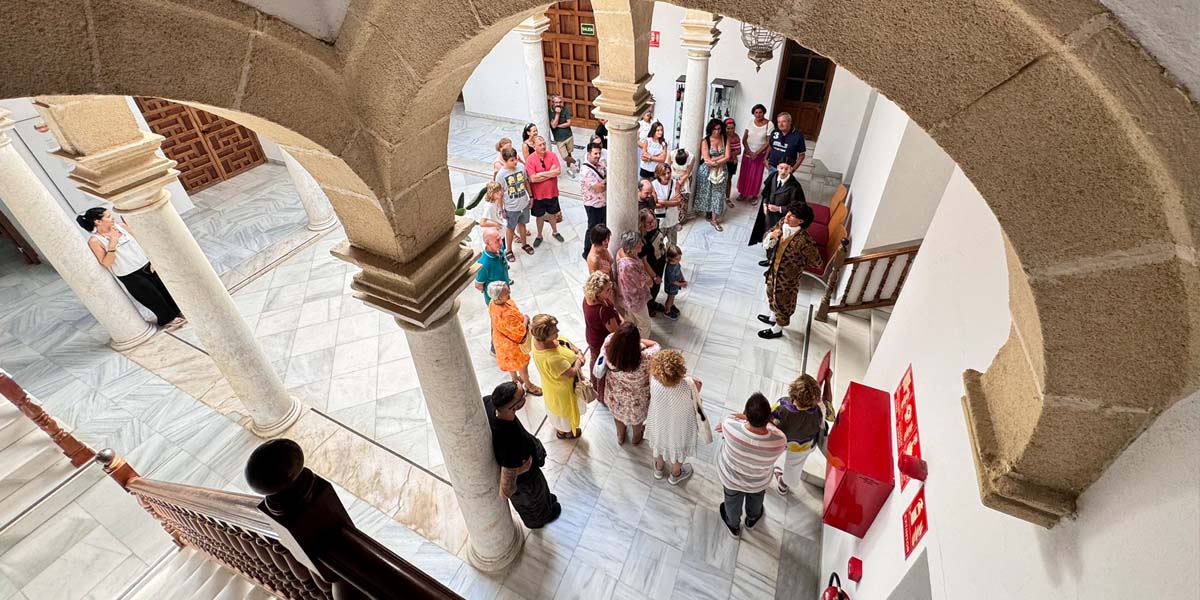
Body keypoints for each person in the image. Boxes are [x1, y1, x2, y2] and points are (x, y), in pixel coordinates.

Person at [76, 207, 185, 330]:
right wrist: (112, 245)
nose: (112, 218)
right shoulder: (95, 241)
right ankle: (168, 318)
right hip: (129, 274)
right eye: (108, 217)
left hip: (147, 265)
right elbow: (106, 263)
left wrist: (153, 259)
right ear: (98, 222)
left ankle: (177, 311)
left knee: (163, 289)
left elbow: (142, 242)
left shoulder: (122, 227)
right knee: (150, 296)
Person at [490, 382, 562, 529]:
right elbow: (506, 490)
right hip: (526, 482)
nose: (525, 395)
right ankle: (542, 518)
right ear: (513, 407)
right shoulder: (508, 443)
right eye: (522, 395)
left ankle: (546, 504)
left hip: (531, 470)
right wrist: (519, 470)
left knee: (541, 493)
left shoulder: (489, 404)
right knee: (533, 505)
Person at [715, 393, 787, 538]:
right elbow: (775, 431)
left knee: (731, 500)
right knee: (756, 499)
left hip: (731, 478)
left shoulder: (729, 426)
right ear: (769, 418)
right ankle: (752, 518)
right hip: (758, 481)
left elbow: (731, 418)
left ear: (746, 414)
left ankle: (733, 525)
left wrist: (743, 417)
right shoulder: (779, 440)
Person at [758, 203, 822, 339]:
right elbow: (768, 235)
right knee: (770, 292)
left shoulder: (804, 241)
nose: (787, 216)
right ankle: (773, 317)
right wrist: (772, 236)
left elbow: (817, 262)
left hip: (787, 279)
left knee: (783, 303)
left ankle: (777, 329)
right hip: (773, 270)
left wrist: (798, 265)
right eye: (788, 212)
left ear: (800, 221)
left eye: (792, 215)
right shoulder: (782, 222)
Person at [645, 349, 702, 485]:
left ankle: (659, 469)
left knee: (659, 444)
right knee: (679, 447)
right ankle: (675, 474)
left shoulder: (653, 380)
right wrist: (685, 377)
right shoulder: (689, 384)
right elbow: (699, 384)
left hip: (659, 420)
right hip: (680, 424)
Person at [601, 322, 659, 445]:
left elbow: (612, 338)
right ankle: (636, 437)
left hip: (615, 393)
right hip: (638, 397)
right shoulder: (647, 357)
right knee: (637, 420)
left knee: (618, 416)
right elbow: (656, 345)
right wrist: (637, 341)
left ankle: (620, 435)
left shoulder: (608, 346)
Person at [530, 314, 586, 439]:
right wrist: (579, 360)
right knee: (565, 413)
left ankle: (561, 430)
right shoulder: (552, 359)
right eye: (554, 331)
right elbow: (572, 372)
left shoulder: (536, 340)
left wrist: (577, 350)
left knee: (557, 411)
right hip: (564, 391)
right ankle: (566, 431)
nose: (558, 331)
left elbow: (563, 342)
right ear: (544, 337)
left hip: (550, 385)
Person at [772, 374, 825, 496]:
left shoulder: (782, 405)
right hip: (803, 446)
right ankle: (784, 485)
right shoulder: (819, 411)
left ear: (793, 391)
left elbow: (769, 419)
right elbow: (825, 420)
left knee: (768, 458)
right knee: (794, 467)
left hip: (781, 441)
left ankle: (761, 475)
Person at [488, 281, 542, 396]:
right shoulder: (505, 315)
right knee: (522, 366)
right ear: (498, 297)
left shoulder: (492, 303)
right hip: (512, 346)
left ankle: (515, 379)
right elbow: (520, 333)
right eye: (506, 293)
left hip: (501, 341)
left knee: (511, 364)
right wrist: (526, 319)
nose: (509, 293)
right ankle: (529, 386)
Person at [748, 160, 806, 266]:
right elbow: (767, 192)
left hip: (783, 219)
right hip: (769, 216)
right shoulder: (773, 176)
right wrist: (765, 203)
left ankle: (774, 262)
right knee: (769, 236)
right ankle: (769, 257)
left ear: (790, 169)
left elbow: (797, 207)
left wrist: (779, 208)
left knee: (778, 240)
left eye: (786, 169)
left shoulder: (794, 186)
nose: (783, 171)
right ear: (778, 167)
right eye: (781, 168)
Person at [582, 271, 621, 401]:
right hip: (601, 342)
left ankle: (595, 386)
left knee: (594, 362)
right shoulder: (603, 311)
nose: (610, 291)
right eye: (607, 290)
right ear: (597, 292)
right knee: (601, 367)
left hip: (592, 337)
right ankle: (600, 393)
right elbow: (615, 331)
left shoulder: (587, 299)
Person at [496, 147, 535, 261]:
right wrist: (501, 209)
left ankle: (524, 244)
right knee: (510, 228)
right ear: (505, 160)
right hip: (511, 207)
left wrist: (531, 196)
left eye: (515, 159)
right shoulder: (500, 175)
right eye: (512, 160)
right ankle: (508, 250)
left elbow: (526, 182)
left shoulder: (521, 167)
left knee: (522, 224)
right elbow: (500, 194)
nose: (515, 162)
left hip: (523, 203)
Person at [612, 231, 653, 338]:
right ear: (631, 248)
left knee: (631, 321)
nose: (642, 245)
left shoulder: (621, 251)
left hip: (626, 296)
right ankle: (642, 344)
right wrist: (650, 280)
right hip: (635, 299)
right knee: (645, 324)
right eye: (639, 244)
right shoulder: (629, 265)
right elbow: (641, 282)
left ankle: (631, 340)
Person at [525, 136, 564, 247]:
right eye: (540, 145)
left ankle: (555, 232)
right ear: (534, 146)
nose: (543, 146)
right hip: (538, 195)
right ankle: (539, 235)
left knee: (553, 214)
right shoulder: (530, 160)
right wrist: (550, 173)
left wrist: (541, 174)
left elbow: (558, 171)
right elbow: (533, 179)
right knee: (540, 216)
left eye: (544, 144)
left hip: (552, 192)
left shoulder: (552, 155)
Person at [694, 118, 731, 231]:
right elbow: (706, 160)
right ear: (710, 129)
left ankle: (714, 219)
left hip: (721, 171)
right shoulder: (705, 141)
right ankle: (708, 212)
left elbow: (728, 156)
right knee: (707, 192)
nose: (717, 131)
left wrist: (715, 161)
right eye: (715, 129)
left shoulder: (725, 139)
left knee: (718, 194)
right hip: (706, 172)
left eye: (719, 129)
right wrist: (720, 157)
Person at [738, 104, 773, 201]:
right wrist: (749, 151)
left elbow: (768, 142)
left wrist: (756, 153)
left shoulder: (769, 124)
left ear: (764, 112)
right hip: (747, 153)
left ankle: (754, 195)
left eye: (760, 112)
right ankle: (743, 193)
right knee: (745, 173)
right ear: (753, 113)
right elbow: (744, 139)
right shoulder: (750, 122)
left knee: (756, 175)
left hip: (760, 154)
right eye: (756, 112)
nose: (758, 114)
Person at [579, 143, 608, 259]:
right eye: (595, 153)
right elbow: (599, 188)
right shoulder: (586, 171)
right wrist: (605, 182)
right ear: (589, 153)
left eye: (599, 153)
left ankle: (598, 247)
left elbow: (608, 175)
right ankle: (587, 252)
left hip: (603, 202)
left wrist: (603, 182)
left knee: (601, 226)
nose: (598, 156)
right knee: (592, 228)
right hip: (593, 204)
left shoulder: (600, 164)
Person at [638, 208, 668, 318]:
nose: (653, 224)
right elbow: (644, 261)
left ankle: (652, 303)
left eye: (653, 220)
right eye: (649, 222)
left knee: (657, 288)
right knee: (651, 289)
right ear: (642, 224)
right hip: (652, 268)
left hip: (660, 262)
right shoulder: (643, 240)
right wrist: (654, 276)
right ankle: (648, 307)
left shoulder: (655, 228)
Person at [474, 228, 511, 304]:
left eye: (500, 238)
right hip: (496, 301)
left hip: (505, 293)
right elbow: (478, 285)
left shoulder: (499, 249)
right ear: (487, 243)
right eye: (496, 241)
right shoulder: (483, 264)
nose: (500, 243)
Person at [651, 164, 682, 246]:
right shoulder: (653, 185)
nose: (667, 176)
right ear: (658, 174)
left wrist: (662, 202)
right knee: (658, 244)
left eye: (668, 173)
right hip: (659, 219)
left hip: (672, 218)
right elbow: (655, 205)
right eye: (664, 174)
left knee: (672, 244)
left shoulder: (675, 184)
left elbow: (678, 201)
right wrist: (671, 202)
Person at [767, 112, 805, 178]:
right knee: (771, 184)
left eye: (783, 121)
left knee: (783, 185)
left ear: (790, 122)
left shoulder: (798, 135)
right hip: (772, 167)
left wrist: (793, 169)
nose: (780, 124)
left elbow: (802, 155)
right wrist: (765, 158)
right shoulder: (775, 132)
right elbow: (770, 146)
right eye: (779, 122)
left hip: (786, 170)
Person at [548, 95, 578, 176]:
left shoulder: (565, 109)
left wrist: (558, 126)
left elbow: (569, 123)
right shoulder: (550, 112)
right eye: (556, 102)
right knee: (565, 157)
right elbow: (553, 126)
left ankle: (569, 167)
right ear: (552, 103)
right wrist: (557, 114)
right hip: (559, 139)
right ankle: (576, 162)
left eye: (560, 102)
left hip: (568, 136)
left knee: (569, 153)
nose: (558, 104)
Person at [661, 245, 687, 321]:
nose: (679, 260)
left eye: (680, 257)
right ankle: (667, 311)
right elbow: (672, 281)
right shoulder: (670, 268)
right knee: (670, 298)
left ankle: (671, 305)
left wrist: (682, 278)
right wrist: (681, 284)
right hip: (671, 287)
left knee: (672, 297)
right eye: (677, 258)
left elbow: (679, 270)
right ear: (670, 258)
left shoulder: (676, 263)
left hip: (676, 285)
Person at [670, 148, 695, 225]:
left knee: (683, 199)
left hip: (685, 178)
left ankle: (681, 220)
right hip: (673, 177)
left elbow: (687, 173)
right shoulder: (672, 154)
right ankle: (672, 219)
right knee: (673, 197)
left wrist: (679, 183)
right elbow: (667, 166)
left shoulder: (691, 157)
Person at [724, 117, 742, 204]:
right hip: (723, 161)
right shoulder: (722, 137)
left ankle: (727, 198)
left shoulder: (736, 137)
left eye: (732, 128)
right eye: (728, 128)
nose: (730, 130)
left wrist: (729, 154)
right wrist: (731, 153)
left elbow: (739, 151)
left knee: (729, 179)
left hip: (731, 162)